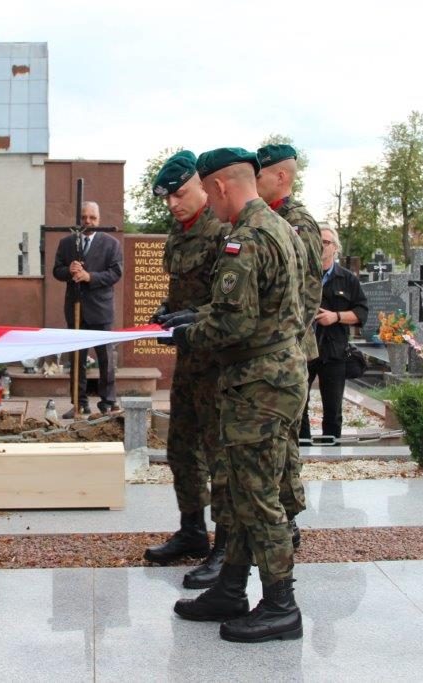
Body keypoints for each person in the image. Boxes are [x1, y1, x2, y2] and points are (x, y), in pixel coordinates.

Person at [169, 147, 308, 643]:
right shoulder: (281, 228)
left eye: (207, 193)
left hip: (259, 383)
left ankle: (281, 605)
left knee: (257, 495)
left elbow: (234, 323)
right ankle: (230, 588)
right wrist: (193, 315)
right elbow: (262, 305)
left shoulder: (246, 239)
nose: (208, 203)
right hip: (275, 374)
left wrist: (187, 333)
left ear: (221, 186)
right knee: (243, 490)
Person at [142, 150, 231, 589]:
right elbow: (182, 290)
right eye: (167, 198)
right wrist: (167, 311)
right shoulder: (178, 233)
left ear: (202, 186)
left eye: (179, 194)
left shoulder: (225, 230)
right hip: (189, 359)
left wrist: (192, 317)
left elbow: (230, 302)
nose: (173, 204)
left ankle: (227, 547)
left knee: (220, 454)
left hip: (219, 361)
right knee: (181, 447)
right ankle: (192, 529)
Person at [256, 143, 323, 549]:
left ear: (281, 176)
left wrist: (285, 341)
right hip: (269, 350)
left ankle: (289, 517)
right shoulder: (262, 218)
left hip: (290, 350)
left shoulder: (298, 222)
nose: (254, 181)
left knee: (285, 440)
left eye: (259, 174)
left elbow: (310, 292)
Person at [51, 201, 123, 418]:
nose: (88, 221)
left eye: (92, 217)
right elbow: (57, 270)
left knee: (106, 359)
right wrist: (69, 270)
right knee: (76, 359)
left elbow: (115, 273)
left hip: (101, 309)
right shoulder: (67, 243)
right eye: (84, 217)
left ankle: (108, 402)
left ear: (99, 219)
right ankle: (79, 403)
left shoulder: (111, 244)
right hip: (75, 308)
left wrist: (89, 276)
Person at [299, 226, 367, 444]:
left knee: (333, 408)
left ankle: (331, 451)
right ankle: (303, 448)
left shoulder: (347, 279)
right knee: (299, 404)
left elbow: (361, 313)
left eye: (326, 242)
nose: (321, 246)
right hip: (304, 350)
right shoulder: (302, 275)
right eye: (317, 241)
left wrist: (336, 316)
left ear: (336, 248)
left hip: (334, 351)